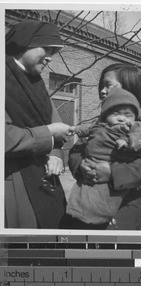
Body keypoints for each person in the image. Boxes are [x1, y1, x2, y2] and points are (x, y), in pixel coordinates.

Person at [67, 63, 141, 230]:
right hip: (89, 199)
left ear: (128, 87)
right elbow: (76, 149)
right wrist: (80, 166)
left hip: (126, 203)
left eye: (108, 85)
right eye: (101, 85)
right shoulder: (104, 120)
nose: (102, 90)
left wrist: (113, 172)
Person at [5, 19, 74, 228]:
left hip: (44, 178)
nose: (50, 58)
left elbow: (56, 129)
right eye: (47, 49)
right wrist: (48, 134)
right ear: (26, 42)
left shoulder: (37, 84)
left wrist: (55, 156)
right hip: (13, 182)